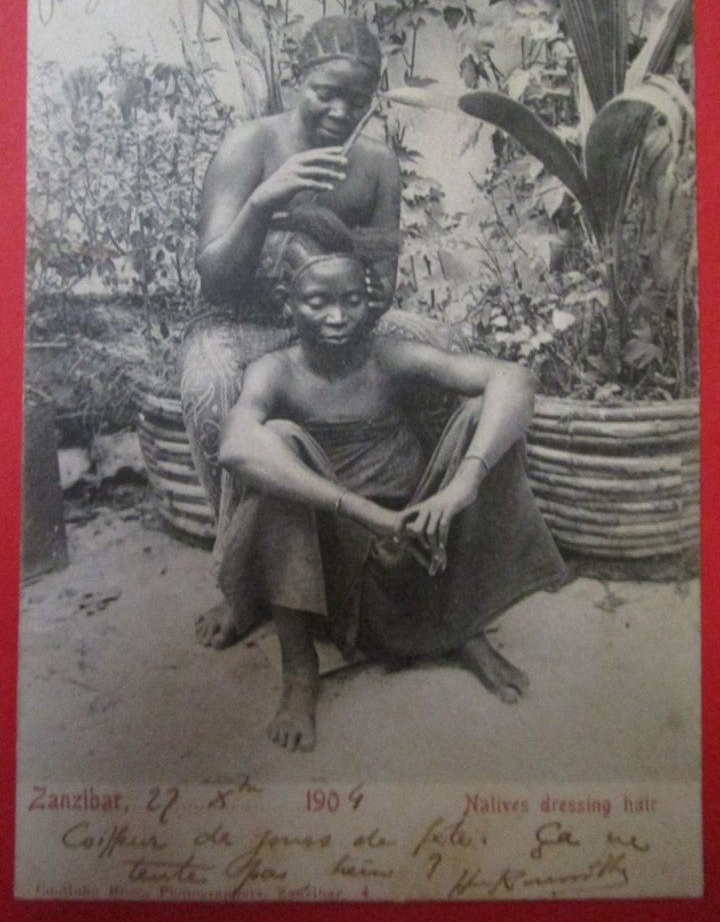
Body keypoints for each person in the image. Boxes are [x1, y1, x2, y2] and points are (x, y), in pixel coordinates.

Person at [215, 208, 569, 752]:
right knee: (277, 448)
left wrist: (463, 484)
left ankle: (461, 625)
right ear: (289, 304)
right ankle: (299, 669)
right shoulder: (275, 372)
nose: (337, 317)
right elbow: (237, 446)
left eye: (351, 301)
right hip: (335, 560)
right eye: (318, 302)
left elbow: (514, 377)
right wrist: (359, 511)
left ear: (370, 300)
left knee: (485, 420)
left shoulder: (388, 359)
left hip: (417, 540)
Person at [180, 15, 467, 646]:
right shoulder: (249, 146)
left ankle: (404, 541)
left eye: (358, 98)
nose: (342, 110)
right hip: (244, 322)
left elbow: (384, 285)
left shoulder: (374, 165)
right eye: (326, 92)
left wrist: (330, 263)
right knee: (209, 385)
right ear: (297, 79)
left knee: (444, 347)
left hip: (338, 319)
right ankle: (241, 582)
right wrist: (265, 201)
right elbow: (215, 278)